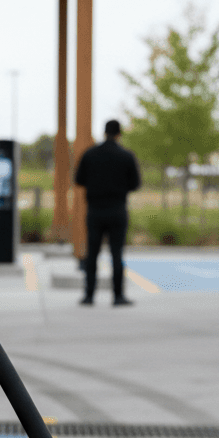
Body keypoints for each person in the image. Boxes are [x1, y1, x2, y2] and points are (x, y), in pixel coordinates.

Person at [74, 119, 141, 306]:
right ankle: (118, 296)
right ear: (119, 134)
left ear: (104, 132)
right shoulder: (126, 156)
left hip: (95, 210)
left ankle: (89, 295)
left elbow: (79, 179)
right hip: (117, 210)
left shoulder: (90, 154)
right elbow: (135, 184)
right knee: (117, 254)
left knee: (92, 254)